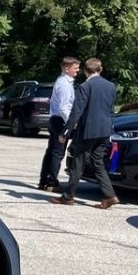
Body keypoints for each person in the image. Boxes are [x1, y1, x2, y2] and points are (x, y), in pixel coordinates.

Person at [50, 58, 119, 209]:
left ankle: (68, 196)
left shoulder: (85, 87)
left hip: (88, 130)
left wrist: (65, 132)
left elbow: (76, 112)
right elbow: (110, 109)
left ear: (86, 71)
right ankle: (110, 195)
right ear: (100, 70)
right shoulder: (111, 86)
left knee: (78, 163)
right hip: (105, 130)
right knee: (98, 162)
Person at [38, 56, 80, 191]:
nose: (77, 70)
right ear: (66, 68)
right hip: (60, 121)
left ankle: (44, 181)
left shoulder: (63, 82)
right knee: (57, 152)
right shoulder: (65, 85)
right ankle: (51, 182)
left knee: (51, 151)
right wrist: (71, 123)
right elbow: (63, 108)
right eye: (75, 68)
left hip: (56, 120)